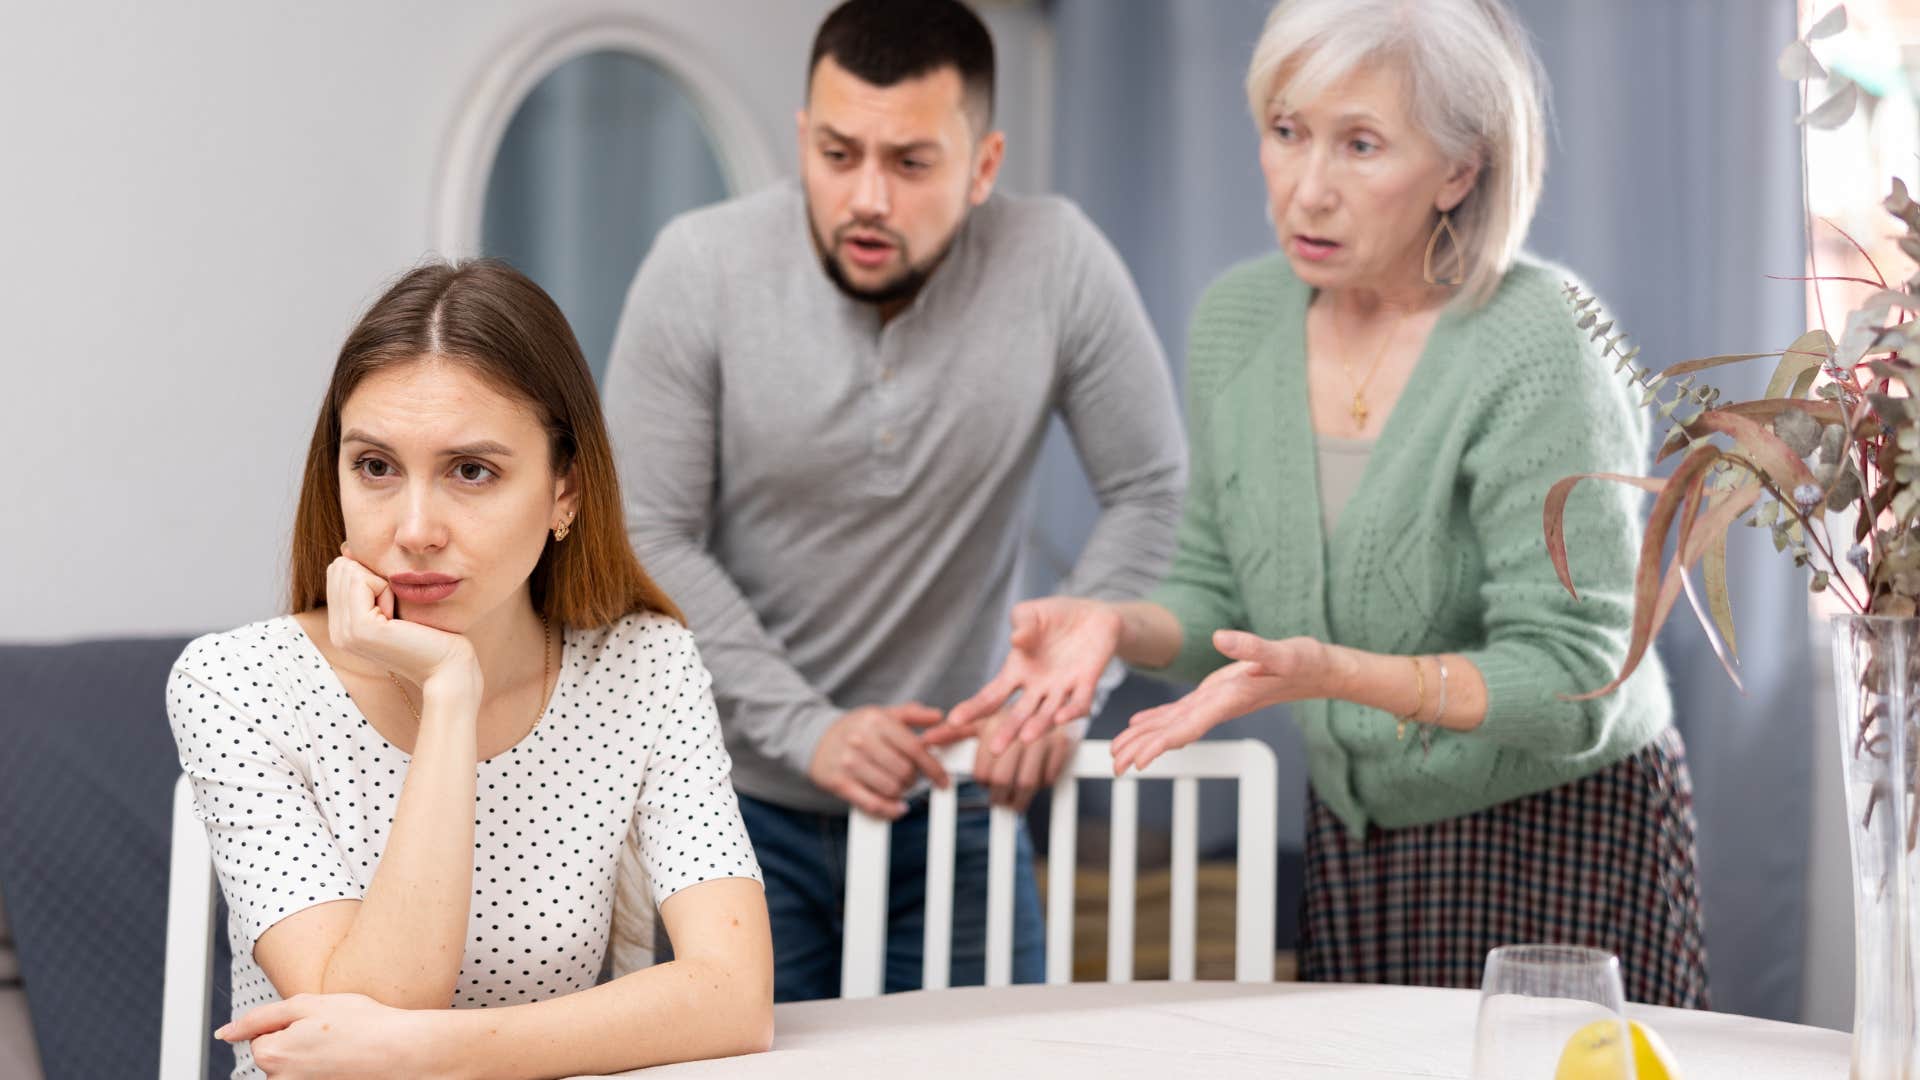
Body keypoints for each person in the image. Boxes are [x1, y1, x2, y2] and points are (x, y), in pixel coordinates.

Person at [951, 0, 1708, 1007]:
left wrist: (1332, 674)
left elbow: (1577, 680)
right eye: (1286, 132)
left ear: (1460, 168)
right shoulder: (1239, 319)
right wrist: (1113, 622)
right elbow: (1219, 585)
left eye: (1360, 145)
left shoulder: (1542, 342)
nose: (1308, 190)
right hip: (1357, 837)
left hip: (1556, 829)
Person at [603, 0, 1186, 1000]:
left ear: (985, 164)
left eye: (912, 164)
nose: (866, 197)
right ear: (803, 140)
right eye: (837, 154)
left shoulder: (1059, 262)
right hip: (731, 808)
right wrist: (805, 726)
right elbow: (644, 531)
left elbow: (1150, 490)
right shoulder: (698, 267)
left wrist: (1062, 693)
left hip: (960, 804)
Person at [167, 260, 773, 1079]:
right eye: (376, 467)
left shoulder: (644, 665)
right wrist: (451, 696)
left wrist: (432, 1051)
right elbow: (366, 1036)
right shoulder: (236, 685)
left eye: (472, 471)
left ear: (566, 491)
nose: (415, 529)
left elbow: (735, 997)